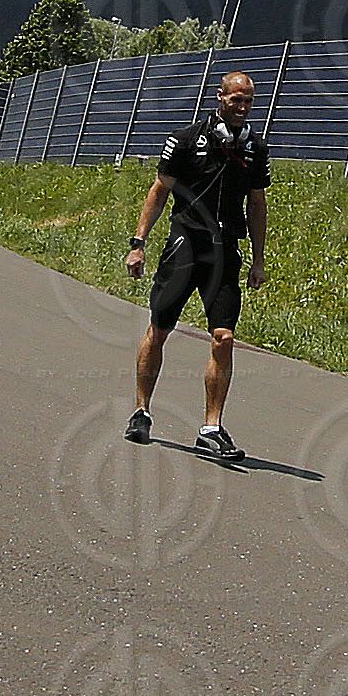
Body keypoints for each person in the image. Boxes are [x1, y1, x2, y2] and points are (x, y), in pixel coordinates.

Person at [123, 71, 270, 461]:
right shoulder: (188, 141)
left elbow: (257, 204)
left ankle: (210, 427)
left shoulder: (255, 147)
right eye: (235, 99)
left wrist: (258, 259)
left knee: (223, 338)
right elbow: (159, 191)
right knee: (160, 328)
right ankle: (141, 411)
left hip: (225, 253)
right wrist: (139, 243)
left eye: (249, 101)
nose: (242, 106)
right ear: (220, 97)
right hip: (185, 246)